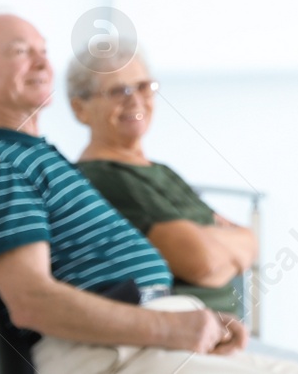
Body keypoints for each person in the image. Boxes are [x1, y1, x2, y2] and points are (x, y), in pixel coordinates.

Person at [0, 11, 298, 373]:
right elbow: (32, 302)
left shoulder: (33, 158)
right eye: (21, 52)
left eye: (44, 50)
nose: (42, 63)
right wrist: (168, 327)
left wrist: (197, 323)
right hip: (113, 354)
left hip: (142, 342)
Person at [70, 45, 256, 317]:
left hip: (227, 331)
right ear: (80, 108)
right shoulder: (105, 177)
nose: (135, 100)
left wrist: (219, 243)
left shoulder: (161, 171)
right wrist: (226, 249)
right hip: (185, 334)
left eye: (143, 86)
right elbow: (203, 263)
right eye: (118, 91)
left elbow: (249, 239)